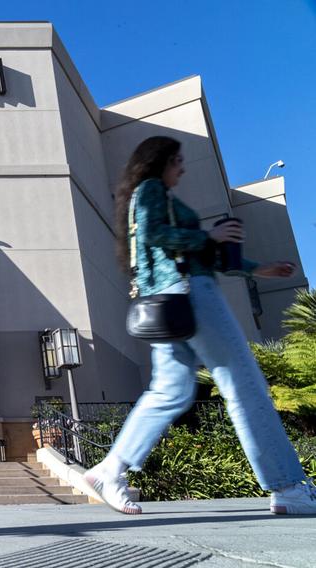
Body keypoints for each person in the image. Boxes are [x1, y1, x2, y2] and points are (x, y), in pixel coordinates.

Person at [84, 135, 315, 515]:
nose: (183, 167)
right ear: (159, 162)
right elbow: (156, 235)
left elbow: (199, 254)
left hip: (171, 303)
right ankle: (288, 486)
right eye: (177, 160)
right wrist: (209, 234)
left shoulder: (155, 196)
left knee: (169, 392)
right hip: (189, 296)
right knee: (244, 384)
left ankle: (110, 470)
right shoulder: (151, 189)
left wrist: (259, 269)